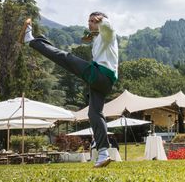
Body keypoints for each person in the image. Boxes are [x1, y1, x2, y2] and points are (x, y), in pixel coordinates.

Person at [20, 13, 117, 168]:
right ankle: (104, 154)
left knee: (65, 58)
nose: (89, 24)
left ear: (100, 21)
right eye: (88, 21)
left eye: (93, 21)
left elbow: (108, 26)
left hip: (100, 74)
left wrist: (101, 19)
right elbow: (98, 34)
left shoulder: (108, 33)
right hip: (104, 82)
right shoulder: (100, 37)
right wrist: (91, 33)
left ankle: (31, 40)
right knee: (94, 114)